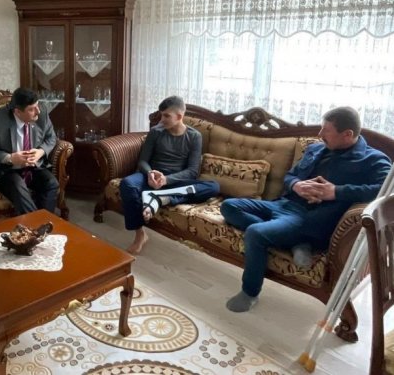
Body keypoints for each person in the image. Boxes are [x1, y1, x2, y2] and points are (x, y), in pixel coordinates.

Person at [220, 106, 391, 313]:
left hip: (308, 219)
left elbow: (385, 191)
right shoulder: (315, 149)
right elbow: (290, 176)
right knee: (229, 206)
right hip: (283, 204)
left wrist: (335, 192)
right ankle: (295, 242)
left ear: (347, 134)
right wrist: (296, 185)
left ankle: (249, 292)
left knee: (255, 233)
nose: (319, 134)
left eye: (326, 130)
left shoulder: (373, 160)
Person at [121, 96, 220, 255]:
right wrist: (150, 173)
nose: (162, 119)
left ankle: (160, 198)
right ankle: (140, 234)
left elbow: (192, 171)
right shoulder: (156, 132)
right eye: (161, 115)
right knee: (127, 184)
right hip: (152, 179)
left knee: (213, 187)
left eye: (166, 116)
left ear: (179, 116)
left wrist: (167, 180)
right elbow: (143, 161)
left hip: (175, 182)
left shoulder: (194, 136)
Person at [0, 87, 59, 215]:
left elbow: (51, 138)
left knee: (51, 183)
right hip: (8, 170)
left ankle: (43, 222)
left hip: (34, 167)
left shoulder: (42, 114)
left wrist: (40, 151)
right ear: (17, 111)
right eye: (32, 109)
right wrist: (9, 158)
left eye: (37, 105)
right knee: (18, 186)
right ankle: (37, 225)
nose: (38, 111)